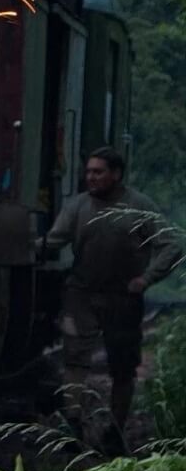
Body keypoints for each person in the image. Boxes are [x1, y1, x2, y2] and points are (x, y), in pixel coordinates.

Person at [42, 147, 180, 450]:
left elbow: (171, 244)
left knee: (123, 366)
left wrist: (146, 278)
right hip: (81, 295)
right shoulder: (77, 206)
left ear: (116, 174)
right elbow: (54, 238)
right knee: (75, 358)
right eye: (89, 172)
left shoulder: (138, 207)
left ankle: (115, 429)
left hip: (122, 299)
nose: (91, 177)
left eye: (98, 172)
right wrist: (30, 245)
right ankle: (72, 422)